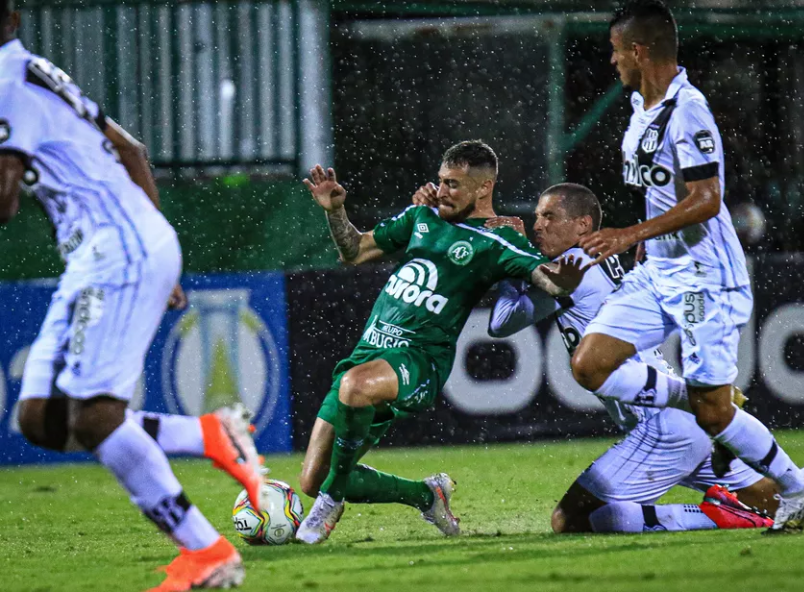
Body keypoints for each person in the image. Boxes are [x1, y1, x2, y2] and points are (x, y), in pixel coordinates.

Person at [0, 4, 265, 590]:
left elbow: (5, 199)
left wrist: (146, 247)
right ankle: (208, 436)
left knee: (95, 416)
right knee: (40, 418)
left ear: (12, 20)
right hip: (105, 249)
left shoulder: (6, 84)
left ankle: (208, 552)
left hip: (116, 246)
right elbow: (132, 151)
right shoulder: (38, 71)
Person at [487, 183, 804, 534]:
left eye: (549, 216)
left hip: (663, 425)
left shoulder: (572, 268)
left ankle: (714, 516)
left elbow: (502, 322)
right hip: (684, 420)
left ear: (583, 226)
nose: (537, 224)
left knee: (571, 519)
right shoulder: (604, 261)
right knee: (772, 497)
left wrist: (504, 261)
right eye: (538, 216)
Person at [568, 0, 804, 533]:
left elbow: (707, 198)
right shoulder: (643, 108)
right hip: (659, 270)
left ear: (639, 51)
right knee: (589, 364)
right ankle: (693, 392)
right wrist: (647, 240)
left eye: (616, 52)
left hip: (704, 279)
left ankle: (799, 489)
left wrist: (628, 234)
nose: (612, 62)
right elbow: (662, 194)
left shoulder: (688, 110)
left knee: (713, 416)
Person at [296, 140, 586, 544]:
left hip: (419, 362)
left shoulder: (497, 239)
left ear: (484, 188)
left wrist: (563, 280)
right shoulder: (421, 216)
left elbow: (544, 277)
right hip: (368, 356)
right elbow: (354, 252)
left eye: (453, 184)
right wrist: (336, 211)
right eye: (440, 181)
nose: (442, 190)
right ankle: (425, 494)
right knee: (311, 477)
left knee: (354, 389)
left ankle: (331, 501)